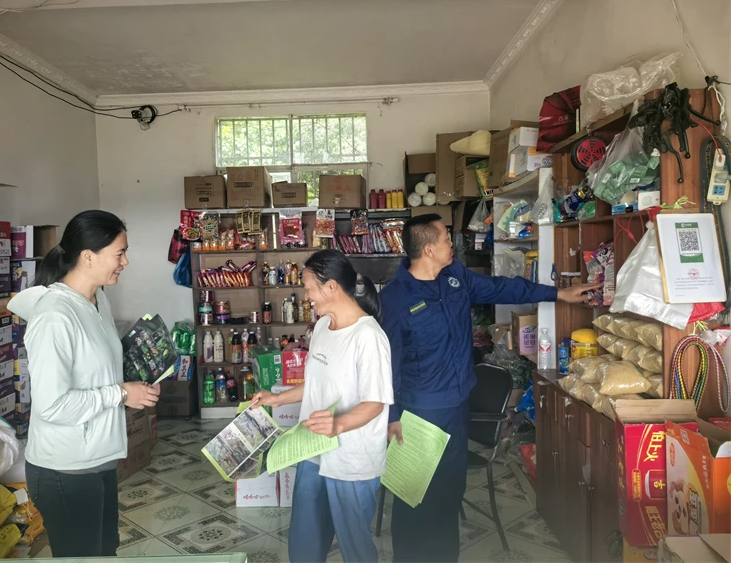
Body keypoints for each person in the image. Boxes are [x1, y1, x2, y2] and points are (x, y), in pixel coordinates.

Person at [379, 214, 597, 563]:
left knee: (450, 492)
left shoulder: (455, 277)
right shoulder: (395, 298)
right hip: (419, 411)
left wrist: (558, 293)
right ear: (429, 249)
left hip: (457, 405)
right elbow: (386, 362)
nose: (452, 243)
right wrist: (391, 417)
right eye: (446, 237)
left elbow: (501, 287)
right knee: (413, 495)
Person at [7, 210, 160, 558]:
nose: (125, 262)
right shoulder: (54, 317)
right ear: (88, 256)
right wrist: (121, 393)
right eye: (119, 253)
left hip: (97, 460)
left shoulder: (97, 299)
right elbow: (53, 405)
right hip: (65, 469)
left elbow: (98, 371)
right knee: (83, 556)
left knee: (104, 552)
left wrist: (137, 385)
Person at [252, 250, 392, 563]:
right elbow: (316, 384)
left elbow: (375, 403)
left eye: (308, 288)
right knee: (305, 541)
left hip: (351, 459)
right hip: (312, 449)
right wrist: (276, 398)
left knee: (355, 547)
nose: (306, 296)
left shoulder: (369, 337)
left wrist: (338, 424)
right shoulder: (322, 327)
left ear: (331, 287)